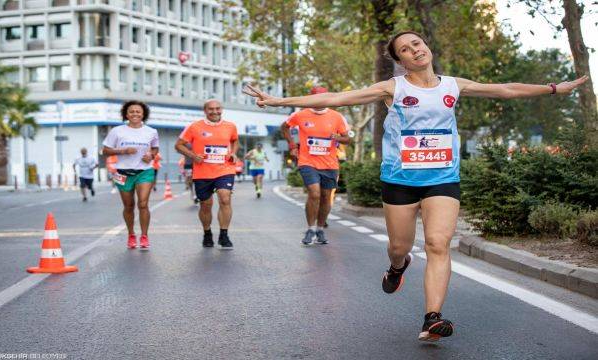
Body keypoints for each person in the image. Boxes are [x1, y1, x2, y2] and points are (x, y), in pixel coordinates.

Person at [242, 30, 588, 342]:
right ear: (400, 61)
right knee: (398, 247)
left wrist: (555, 88)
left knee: (438, 243)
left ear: (427, 47)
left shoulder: (454, 84)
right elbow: (335, 99)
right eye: (405, 50)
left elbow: (507, 89)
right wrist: (277, 102)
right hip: (400, 180)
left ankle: (432, 317)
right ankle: (397, 266)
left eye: (417, 44)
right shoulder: (393, 88)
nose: (415, 51)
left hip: (443, 178)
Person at [279, 86, 351, 246]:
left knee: (326, 197)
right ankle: (310, 228)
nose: (320, 101)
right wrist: (292, 145)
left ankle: (320, 228)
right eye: (316, 98)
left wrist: (338, 137)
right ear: (310, 99)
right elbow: (284, 127)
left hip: (330, 164)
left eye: (323, 98)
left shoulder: (337, 116)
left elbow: (347, 139)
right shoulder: (300, 114)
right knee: (314, 193)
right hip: (307, 162)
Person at [175, 99, 239, 249]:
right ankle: (207, 233)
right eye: (211, 109)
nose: (215, 111)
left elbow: (235, 141)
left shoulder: (230, 126)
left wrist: (234, 153)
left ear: (221, 109)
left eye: (218, 108)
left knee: (225, 198)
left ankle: (224, 235)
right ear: (205, 110)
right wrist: (193, 155)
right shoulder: (194, 126)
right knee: (205, 205)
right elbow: (178, 144)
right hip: (202, 171)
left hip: (225, 169)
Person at [102, 100, 159, 250]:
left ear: (143, 114)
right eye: (131, 111)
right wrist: (123, 151)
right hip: (123, 172)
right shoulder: (117, 131)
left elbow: (155, 148)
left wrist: (151, 156)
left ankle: (144, 236)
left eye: (138, 111)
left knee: (143, 204)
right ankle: (131, 234)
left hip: (144, 171)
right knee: (128, 206)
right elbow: (105, 150)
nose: (135, 114)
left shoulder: (151, 131)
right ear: (126, 114)